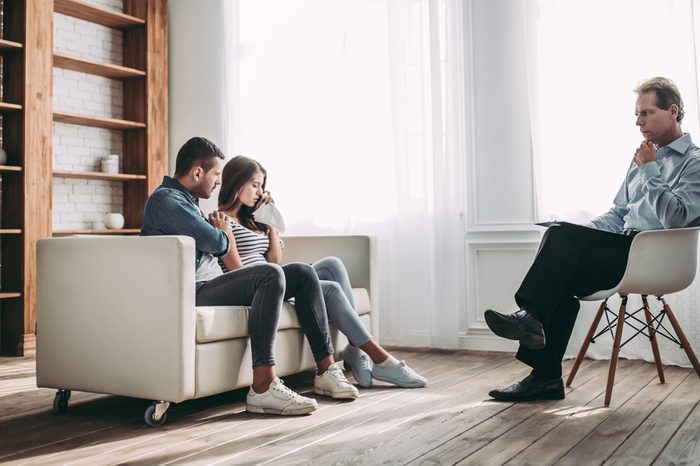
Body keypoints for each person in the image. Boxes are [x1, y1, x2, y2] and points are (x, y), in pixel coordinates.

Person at [484, 77, 700, 402]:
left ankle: (539, 358)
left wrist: (651, 170)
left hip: (656, 256)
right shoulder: (641, 158)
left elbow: (677, 218)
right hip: (623, 249)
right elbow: (618, 213)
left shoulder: (693, 162)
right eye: (636, 114)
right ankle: (541, 363)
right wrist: (579, 231)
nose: (638, 121)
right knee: (560, 240)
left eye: (646, 112)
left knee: (559, 270)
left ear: (673, 111)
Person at [141, 136, 354, 416]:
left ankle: (326, 369)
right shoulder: (166, 201)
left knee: (301, 272)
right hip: (194, 290)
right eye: (216, 173)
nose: (218, 181)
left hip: (211, 284)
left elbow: (216, 240)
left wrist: (222, 234)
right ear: (197, 172)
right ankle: (263, 387)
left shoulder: (187, 202)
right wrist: (222, 235)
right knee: (269, 274)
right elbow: (217, 243)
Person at [216, 155, 427, 389]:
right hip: (260, 287)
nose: (259, 191)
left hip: (278, 279)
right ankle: (380, 358)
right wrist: (227, 234)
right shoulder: (221, 221)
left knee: (332, 264)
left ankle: (355, 351)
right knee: (331, 289)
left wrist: (269, 220)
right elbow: (235, 270)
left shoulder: (254, 221)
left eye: (262, 186)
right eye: (255, 185)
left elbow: (275, 260)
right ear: (237, 182)